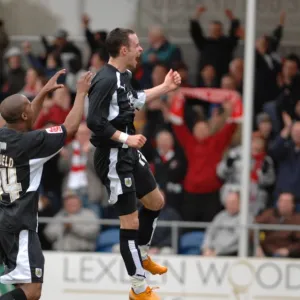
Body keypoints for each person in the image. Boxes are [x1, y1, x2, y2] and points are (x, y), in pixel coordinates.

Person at [87, 28, 181, 300]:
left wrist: (165, 87)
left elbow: (136, 99)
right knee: (130, 222)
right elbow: (94, 122)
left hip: (128, 151)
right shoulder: (104, 80)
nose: (142, 50)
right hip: (113, 155)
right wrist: (126, 138)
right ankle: (138, 288)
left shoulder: (124, 76)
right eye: (137, 45)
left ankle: (141, 256)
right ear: (124, 50)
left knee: (156, 202)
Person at [0, 69, 93, 300]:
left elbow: (25, 120)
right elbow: (70, 128)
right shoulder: (30, 144)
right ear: (23, 116)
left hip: (5, 218)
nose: (33, 107)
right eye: (28, 106)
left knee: (24, 286)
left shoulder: (5, 136)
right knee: (32, 291)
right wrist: (81, 93)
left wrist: (41, 93)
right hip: (19, 223)